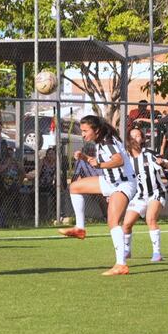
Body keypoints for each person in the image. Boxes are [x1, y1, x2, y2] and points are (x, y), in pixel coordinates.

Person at [59, 115, 137, 276]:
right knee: (75, 187)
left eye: (85, 131)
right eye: (82, 131)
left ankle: (121, 265)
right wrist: (84, 158)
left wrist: (99, 164)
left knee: (113, 221)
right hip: (110, 181)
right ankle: (80, 228)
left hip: (123, 183)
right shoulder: (100, 141)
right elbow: (101, 162)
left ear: (97, 130)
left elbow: (119, 160)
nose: (83, 134)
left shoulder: (108, 142)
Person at [122, 126, 168, 263]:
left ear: (142, 139)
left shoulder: (149, 154)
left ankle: (157, 253)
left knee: (150, 219)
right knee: (126, 224)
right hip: (139, 196)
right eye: (132, 136)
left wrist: (163, 162)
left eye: (138, 136)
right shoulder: (126, 158)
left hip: (156, 192)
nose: (135, 138)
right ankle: (127, 251)